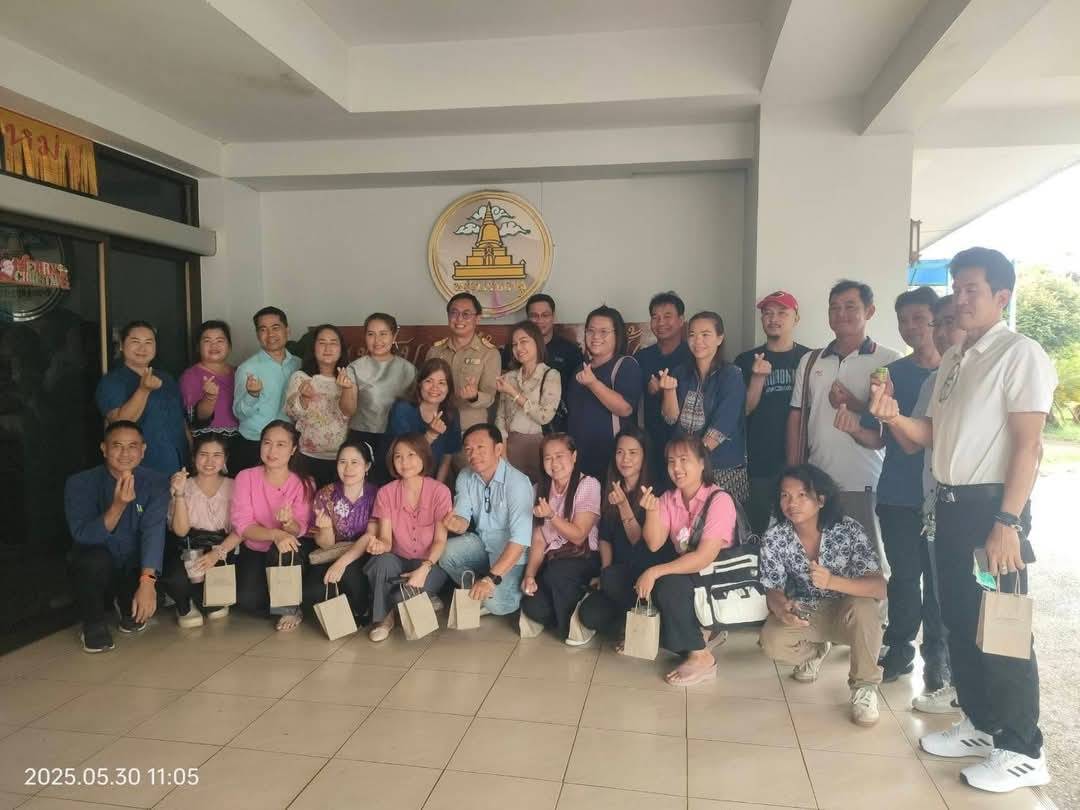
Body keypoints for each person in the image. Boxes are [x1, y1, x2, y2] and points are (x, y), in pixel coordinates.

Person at [868, 248, 1055, 793]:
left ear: (1002, 296)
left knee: (1002, 628)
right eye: (957, 288)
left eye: (973, 289)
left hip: (991, 509)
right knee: (959, 621)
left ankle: (1022, 748)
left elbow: (1029, 446)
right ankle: (981, 723)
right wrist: (894, 416)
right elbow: (929, 434)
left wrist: (1008, 521)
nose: (961, 299)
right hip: (947, 505)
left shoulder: (1020, 355)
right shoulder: (955, 357)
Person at [855, 287, 948, 689]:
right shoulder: (891, 374)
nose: (911, 327)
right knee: (905, 577)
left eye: (919, 319)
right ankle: (900, 647)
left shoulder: (955, 373)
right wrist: (859, 422)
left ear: (937, 321)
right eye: (903, 320)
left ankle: (938, 656)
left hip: (942, 496)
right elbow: (878, 437)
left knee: (940, 582)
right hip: (896, 493)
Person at [758, 464, 886, 726]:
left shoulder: (848, 530)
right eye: (785, 495)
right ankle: (815, 652)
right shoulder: (775, 537)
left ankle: (864, 687)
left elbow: (879, 587)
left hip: (848, 610)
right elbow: (772, 588)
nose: (792, 503)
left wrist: (833, 582)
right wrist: (782, 609)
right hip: (808, 610)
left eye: (802, 495)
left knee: (865, 608)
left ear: (821, 500)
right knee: (771, 640)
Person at [786, 280, 900, 567]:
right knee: (819, 561)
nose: (841, 314)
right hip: (818, 480)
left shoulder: (889, 361)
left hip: (866, 481)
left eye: (850, 306)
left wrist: (855, 403)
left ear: (869, 311)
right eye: (834, 308)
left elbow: (890, 424)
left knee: (869, 564)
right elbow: (797, 417)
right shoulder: (811, 361)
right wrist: (795, 472)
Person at [64, 421, 187, 653]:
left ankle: (126, 600)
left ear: (143, 450)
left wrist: (147, 582)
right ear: (104, 448)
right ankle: (93, 623)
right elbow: (83, 535)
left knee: (152, 588)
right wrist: (118, 506)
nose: (125, 453)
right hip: (99, 560)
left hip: (134, 561)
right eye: (117, 446)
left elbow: (153, 532)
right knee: (92, 561)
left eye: (132, 446)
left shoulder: (156, 482)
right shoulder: (80, 483)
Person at [637, 435, 737, 686]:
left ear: (702, 463)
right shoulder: (669, 498)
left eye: (684, 460)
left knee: (668, 585)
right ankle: (699, 634)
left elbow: (704, 557)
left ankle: (701, 657)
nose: (677, 468)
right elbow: (654, 543)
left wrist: (655, 572)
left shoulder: (719, 500)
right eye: (671, 461)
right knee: (639, 579)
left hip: (718, 573)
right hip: (692, 570)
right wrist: (652, 512)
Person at [906, 294, 965, 713]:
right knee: (944, 598)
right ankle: (953, 683)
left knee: (981, 605)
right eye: (938, 324)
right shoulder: (936, 380)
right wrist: (889, 416)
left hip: (979, 510)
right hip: (937, 504)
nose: (942, 332)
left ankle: (978, 697)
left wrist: (1008, 518)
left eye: (950, 322)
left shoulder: (989, 368)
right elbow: (918, 439)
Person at [734, 291, 810, 534]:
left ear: (796, 318)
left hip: (803, 459)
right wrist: (757, 378)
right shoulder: (745, 360)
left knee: (801, 529)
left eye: (781, 313)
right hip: (760, 461)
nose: (773, 318)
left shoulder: (810, 359)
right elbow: (742, 411)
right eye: (767, 313)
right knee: (757, 529)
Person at [365, 433, 453, 641]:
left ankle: (419, 596)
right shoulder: (386, 493)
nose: (404, 462)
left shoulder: (440, 491)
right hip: (398, 560)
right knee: (381, 561)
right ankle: (383, 619)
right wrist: (379, 546)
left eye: (411, 455)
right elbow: (386, 541)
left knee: (399, 596)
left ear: (423, 456)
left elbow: (440, 540)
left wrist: (425, 567)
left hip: (429, 563)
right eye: (398, 456)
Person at [439, 424, 534, 616]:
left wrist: (491, 579)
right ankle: (480, 587)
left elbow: (520, 541)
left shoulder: (518, 483)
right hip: (483, 546)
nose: (473, 454)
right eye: (468, 449)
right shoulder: (465, 476)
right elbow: (463, 520)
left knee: (498, 605)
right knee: (445, 553)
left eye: (481, 447)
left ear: (498, 449)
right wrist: (455, 524)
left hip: (513, 555)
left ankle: (497, 586)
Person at [230, 420, 314, 631]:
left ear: (293, 449)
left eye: (281, 444)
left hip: (288, 552)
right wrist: (275, 533)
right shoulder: (245, 477)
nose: (272, 450)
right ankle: (286, 599)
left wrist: (288, 524)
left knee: (285, 546)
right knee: (246, 600)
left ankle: (289, 608)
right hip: (257, 547)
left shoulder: (303, 483)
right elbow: (243, 525)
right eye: (267, 443)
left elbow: (301, 528)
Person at [660, 311, 748, 501]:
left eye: (705, 334)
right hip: (685, 468)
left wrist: (694, 460)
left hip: (722, 467)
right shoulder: (680, 372)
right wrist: (668, 391)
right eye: (692, 334)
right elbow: (670, 418)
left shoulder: (732, 374)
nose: (698, 340)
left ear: (720, 338)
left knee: (722, 517)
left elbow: (723, 426)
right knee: (686, 518)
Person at [520, 434, 601, 637]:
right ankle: (571, 609)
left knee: (556, 573)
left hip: (582, 557)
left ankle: (573, 624)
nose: (554, 463)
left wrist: (551, 516)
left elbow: (579, 535)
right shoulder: (538, 490)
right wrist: (529, 575)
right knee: (532, 604)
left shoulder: (588, 484)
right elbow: (539, 539)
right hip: (553, 560)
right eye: (548, 458)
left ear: (574, 456)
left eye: (559, 456)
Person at [95, 320, 189, 475]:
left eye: (148, 342)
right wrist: (143, 390)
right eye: (135, 341)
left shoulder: (167, 379)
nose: (142, 348)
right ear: (121, 345)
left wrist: (192, 452)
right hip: (142, 468)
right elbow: (120, 424)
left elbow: (181, 421)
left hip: (179, 464)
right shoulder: (111, 382)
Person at [567, 305, 643, 480]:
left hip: (612, 460)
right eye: (591, 331)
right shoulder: (580, 368)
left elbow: (625, 408)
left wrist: (593, 383)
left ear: (617, 335)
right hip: (580, 460)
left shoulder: (626, 365)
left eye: (603, 332)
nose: (595, 337)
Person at [169, 434, 237, 627]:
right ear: (193, 457)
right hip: (189, 547)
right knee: (177, 579)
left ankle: (201, 598)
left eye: (217, 455)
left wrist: (217, 553)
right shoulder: (184, 485)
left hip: (222, 548)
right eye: (203, 454)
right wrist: (180, 493)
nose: (209, 461)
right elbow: (181, 531)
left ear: (225, 459)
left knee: (214, 608)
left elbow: (241, 529)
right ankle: (185, 603)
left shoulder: (234, 486)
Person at [311, 439, 379, 623]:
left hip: (366, 553)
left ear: (367, 466)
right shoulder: (326, 494)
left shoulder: (377, 495)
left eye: (354, 462)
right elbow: (326, 545)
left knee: (351, 576)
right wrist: (326, 529)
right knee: (315, 590)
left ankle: (362, 610)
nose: (348, 468)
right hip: (333, 552)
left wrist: (340, 564)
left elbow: (371, 535)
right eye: (343, 462)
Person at [426, 292, 500, 460]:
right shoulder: (434, 351)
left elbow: (490, 397)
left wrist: (474, 396)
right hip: (437, 427)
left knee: (469, 475)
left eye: (466, 314)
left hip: (470, 432)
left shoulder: (489, 353)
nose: (459, 319)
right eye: (454, 313)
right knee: (434, 475)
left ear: (477, 319)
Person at [346, 312, 416, 484]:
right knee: (362, 487)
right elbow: (348, 410)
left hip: (397, 439)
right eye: (371, 334)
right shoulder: (354, 368)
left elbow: (416, 409)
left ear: (394, 336)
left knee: (394, 487)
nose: (377, 340)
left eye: (383, 334)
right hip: (362, 436)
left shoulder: (408, 370)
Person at [285, 324, 357, 488]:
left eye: (333, 343)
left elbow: (349, 411)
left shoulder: (348, 377)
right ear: (313, 347)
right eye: (322, 342)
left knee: (333, 501)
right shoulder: (301, 377)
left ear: (341, 348)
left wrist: (346, 389)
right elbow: (291, 413)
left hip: (340, 458)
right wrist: (304, 398)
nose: (327, 348)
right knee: (306, 499)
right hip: (306, 456)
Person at [232, 307, 301, 473]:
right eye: (263, 329)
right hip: (255, 443)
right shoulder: (248, 368)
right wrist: (252, 395)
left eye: (275, 328)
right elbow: (239, 413)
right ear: (258, 335)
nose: (270, 334)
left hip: (288, 445)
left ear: (287, 331)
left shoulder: (299, 364)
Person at [501, 293, 583, 433]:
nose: (539, 320)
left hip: (557, 424)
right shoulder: (514, 349)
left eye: (545, 315)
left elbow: (577, 391)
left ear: (553, 317)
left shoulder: (570, 350)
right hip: (518, 426)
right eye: (534, 316)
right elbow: (504, 392)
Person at [635, 291, 692, 485]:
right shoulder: (642, 357)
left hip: (685, 443)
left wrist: (666, 391)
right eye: (655, 317)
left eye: (668, 316)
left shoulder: (692, 355)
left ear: (681, 320)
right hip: (651, 442)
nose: (661, 322)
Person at [494, 320, 560, 482]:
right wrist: (503, 453)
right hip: (509, 445)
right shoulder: (509, 377)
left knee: (537, 491)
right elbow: (500, 418)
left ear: (537, 342)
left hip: (537, 445)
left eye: (524, 341)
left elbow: (544, 416)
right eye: (514, 344)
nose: (518, 348)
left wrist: (514, 393)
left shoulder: (550, 375)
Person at [387, 358, 461, 484]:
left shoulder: (451, 412)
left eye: (442, 383)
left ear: (449, 388)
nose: (435, 388)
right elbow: (404, 456)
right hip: (398, 478)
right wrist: (431, 435)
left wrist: (437, 486)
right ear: (419, 384)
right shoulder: (402, 409)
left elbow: (447, 456)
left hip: (432, 480)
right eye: (429, 381)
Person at [179, 320, 239, 448]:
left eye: (220, 341)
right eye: (207, 341)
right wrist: (210, 398)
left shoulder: (240, 373)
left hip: (239, 443)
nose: (214, 346)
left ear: (229, 346)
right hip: (208, 447)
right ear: (198, 347)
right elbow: (197, 419)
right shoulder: (191, 376)